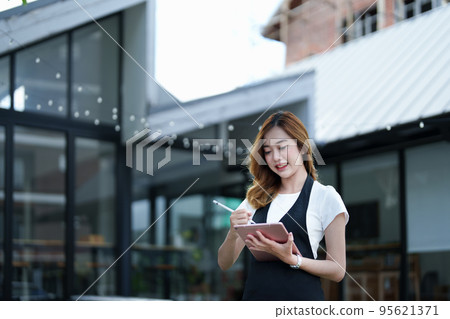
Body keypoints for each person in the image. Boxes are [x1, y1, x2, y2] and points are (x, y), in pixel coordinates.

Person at [217, 111, 349, 301]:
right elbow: (224, 263)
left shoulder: (324, 197)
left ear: (303, 147)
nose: (276, 158)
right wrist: (232, 233)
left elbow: (337, 270)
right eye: (268, 151)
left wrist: (293, 260)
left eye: (282, 147)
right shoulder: (256, 198)